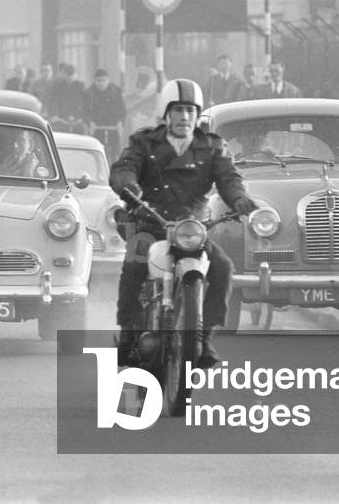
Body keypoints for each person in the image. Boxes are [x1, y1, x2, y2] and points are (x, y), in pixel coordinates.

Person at [110, 79, 258, 368]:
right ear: (166, 113)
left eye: (190, 110)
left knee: (224, 269)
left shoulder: (212, 146)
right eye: (178, 110)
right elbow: (124, 167)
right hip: (150, 224)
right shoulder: (144, 142)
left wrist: (239, 199)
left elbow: (229, 178)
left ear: (197, 113)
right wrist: (129, 185)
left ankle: (203, 338)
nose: (185, 116)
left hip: (191, 229)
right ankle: (128, 333)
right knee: (133, 266)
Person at [83, 69, 126, 161]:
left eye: (104, 81)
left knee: (115, 152)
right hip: (97, 127)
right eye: (99, 81)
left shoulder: (116, 91)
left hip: (113, 126)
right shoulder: (89, 93)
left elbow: (122, 110)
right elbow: (85, 111)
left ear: (108, 80)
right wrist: (90, 122)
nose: (101, 83)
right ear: (94, 81)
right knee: (96, 152)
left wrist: (120, 122)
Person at [47, 63, 87, 133]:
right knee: (55, 129)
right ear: (64, 75)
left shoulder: (81, 86)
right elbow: (54, 102)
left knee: (82, 129)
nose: (70, 78)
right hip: (61, 117)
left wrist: (81, 117)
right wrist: (55, 115)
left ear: (76, 75)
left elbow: (84, 103)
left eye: (72, 75)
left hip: (78, 117)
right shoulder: (58, 86)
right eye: (68, 75)